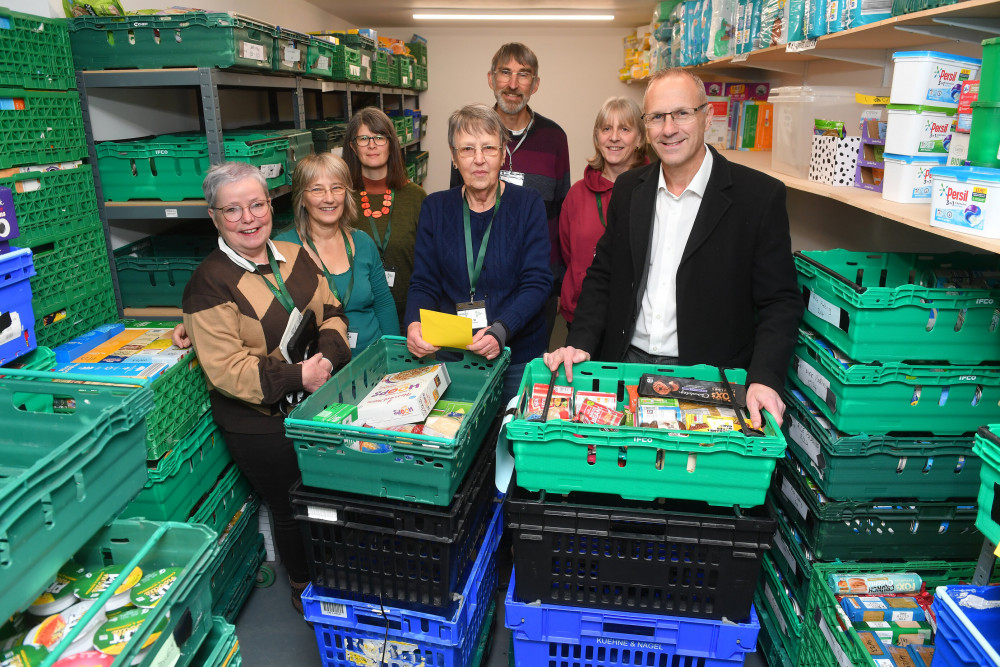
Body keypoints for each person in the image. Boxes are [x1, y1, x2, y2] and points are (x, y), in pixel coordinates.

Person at [544, 69, 803, 429]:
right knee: (616, 476)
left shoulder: (757, 197)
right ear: (646, 127)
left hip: (708, 377)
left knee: (690, 480)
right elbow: (603, 274)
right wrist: (581, 341)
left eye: (682, 113)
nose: (669, 129)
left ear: (707, 116)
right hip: (626, 365)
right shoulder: (629, 189)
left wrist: (764, 376)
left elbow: (780, 301)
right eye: (656, 118)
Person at [181, 162, 351, 612]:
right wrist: (299, 376)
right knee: (292, 504)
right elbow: (228, 371)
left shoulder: (295, 256)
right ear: (214, 217)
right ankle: (303, 588)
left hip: (314, 401)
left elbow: (332, 310)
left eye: (256, 205)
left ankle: (333, 572)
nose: (249, 218)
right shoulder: (209, 283)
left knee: (328, 493)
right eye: (232, 210)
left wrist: (328, 359)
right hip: (259, 423)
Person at [408, 104, 552, 406]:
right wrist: (414, 324)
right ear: (453, 155)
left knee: (511, 446)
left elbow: (538, 282)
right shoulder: (435, 208)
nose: (478, 159)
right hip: (453, 356)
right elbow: (424, 282)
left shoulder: (528, 204)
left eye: (488, 148)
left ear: (503, 153)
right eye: (467, 149)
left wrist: (502, 329)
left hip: (515, 355)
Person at [450, 42, 570, 342]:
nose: (513, 84)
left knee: (526, 371)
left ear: (535, 84)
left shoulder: (555, 138)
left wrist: (556, 284)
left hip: (536, 282)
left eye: (523, 74)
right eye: (505, 73)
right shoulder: (469, 136)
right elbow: (457, 209)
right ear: (491, 79)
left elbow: (560, 214)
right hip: (479, 284)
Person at [274, 152, 399, 356]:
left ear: (346, 194)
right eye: (317, 189)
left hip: (373, 358)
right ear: (302, 199)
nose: (329, 198)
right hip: (318, 369)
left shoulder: (363, 242)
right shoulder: (283, 247)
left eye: (337, 188)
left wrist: (394, 354)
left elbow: (384, 304)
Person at [559, 96, 647, 325]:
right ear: (597, 138)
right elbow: (569, 254)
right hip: (582, 315)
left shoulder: (654, 190)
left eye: (625, 129)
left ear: (639, 138)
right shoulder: (576, 194)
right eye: (606, 128)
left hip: (635, 320)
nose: (614, 137)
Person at [342, 107, 427, 328]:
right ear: (352, 146)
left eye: (379, 137)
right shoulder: (341, 199)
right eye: (363, 138)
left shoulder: (416, 197)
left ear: (391, 143)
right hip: (359, 317)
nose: (372, 145)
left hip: (413, 316)